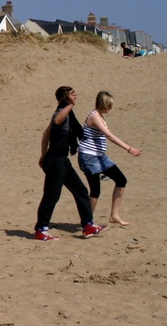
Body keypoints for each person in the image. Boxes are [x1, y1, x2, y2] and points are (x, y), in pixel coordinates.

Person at [34, 86, 106, 241]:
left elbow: (46, 133)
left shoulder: (68, 113)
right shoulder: (61, 112)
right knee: (52, 196)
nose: (75, 95)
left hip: (62, 160)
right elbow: (56, 121)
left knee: (80, 190)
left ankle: (88, 225)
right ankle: (41, 229)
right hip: (55, 160)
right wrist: (44, 155)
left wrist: (42, 154)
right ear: (64, 97)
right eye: (71, 94)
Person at [78, 91, 141, 226]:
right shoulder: (94, 116)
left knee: (121, 180)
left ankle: (114, 215)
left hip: (100, 156)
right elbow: (109, 136)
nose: (111, 108)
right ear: (103, 104)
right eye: (109, 105)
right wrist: (129, 148)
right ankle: (87, 223)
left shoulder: (100, 116)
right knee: (95, 190)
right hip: (89, 157)